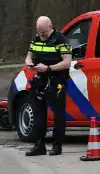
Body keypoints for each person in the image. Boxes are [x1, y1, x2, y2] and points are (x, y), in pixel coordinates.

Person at [24, 16, 72, 156]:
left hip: (56, 79)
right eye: (39, 32)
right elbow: (28, 56)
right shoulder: (36, 39)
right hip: (40, 79)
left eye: (43, 32)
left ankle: (57, 146)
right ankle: (39, 145)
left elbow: (67, 62)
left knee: (58, 115)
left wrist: (48, 68)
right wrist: (29, 64)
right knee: (38, 113)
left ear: (50, 27)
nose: (41, 35)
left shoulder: (61, 40)